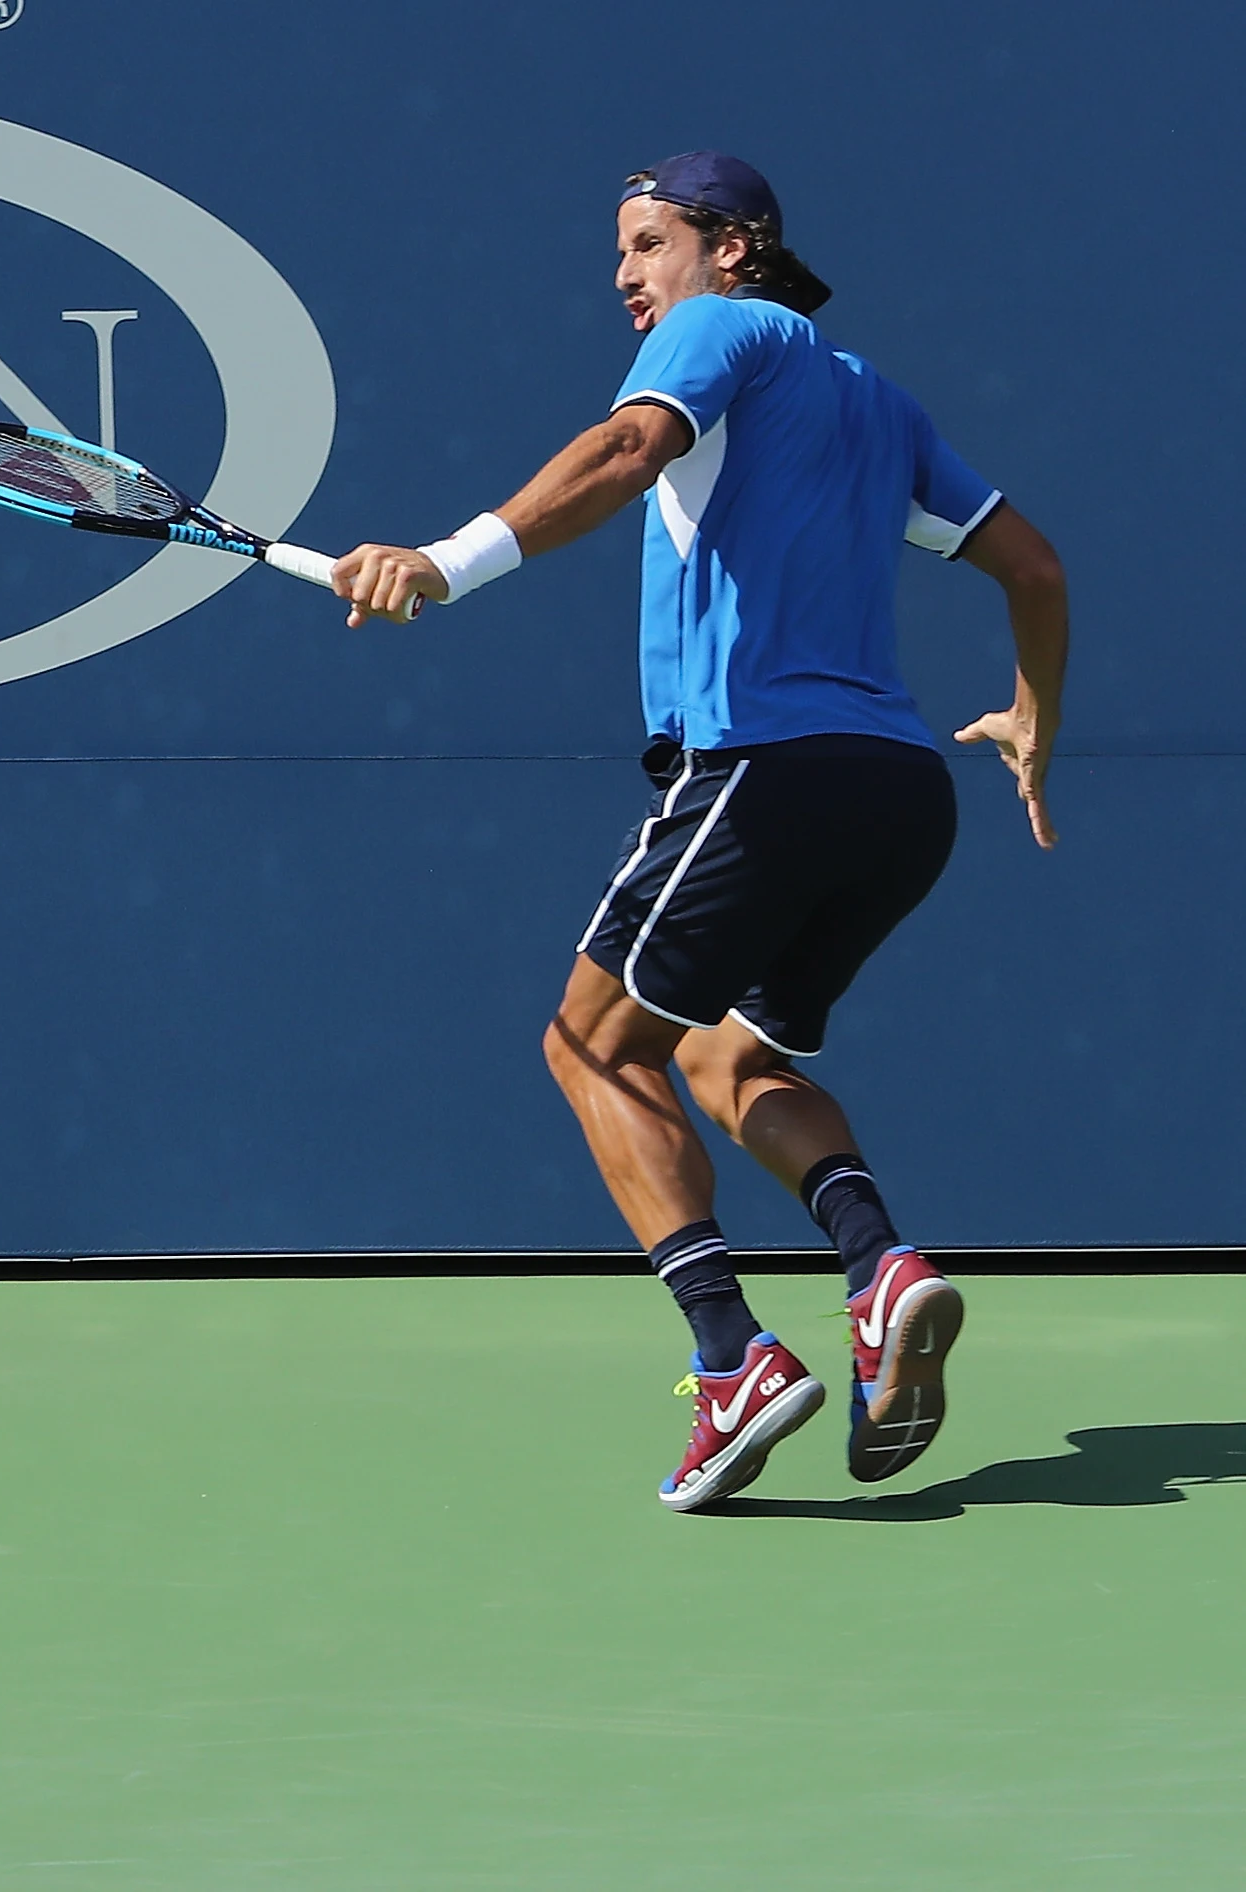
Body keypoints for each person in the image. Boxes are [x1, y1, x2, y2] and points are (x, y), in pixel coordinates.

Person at [331, 153, 1070, 1512]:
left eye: (648, 241)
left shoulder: (717, 330)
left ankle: (731, 1358)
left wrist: (445, 561)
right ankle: (881, 1266)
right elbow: (1034, 567)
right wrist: (1033, 717)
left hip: (764, 771)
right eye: (620, 252)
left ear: (733, 248)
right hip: (901, 792)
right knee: (734, 1058)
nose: (627, 276)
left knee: (589, 1045)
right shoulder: (873, 400)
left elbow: (624, 451)